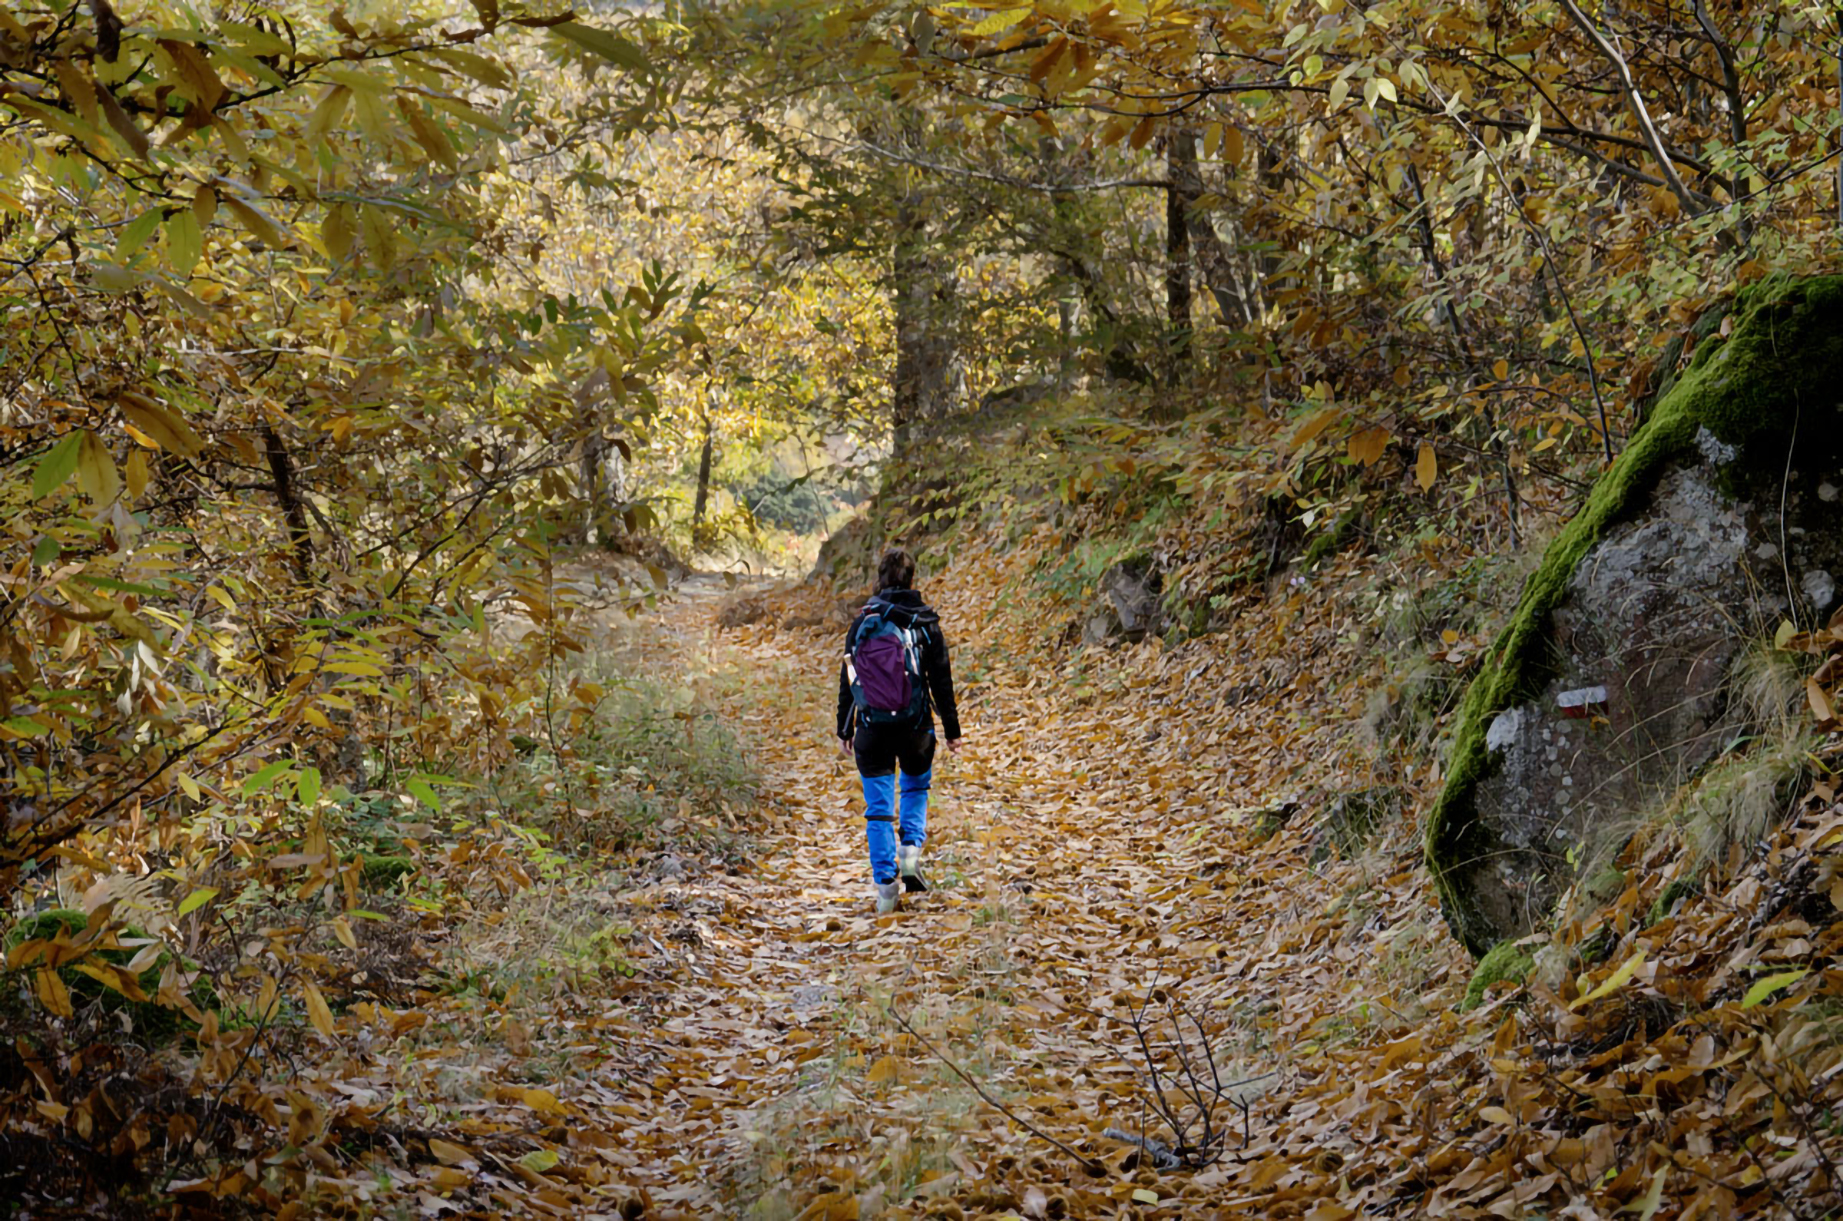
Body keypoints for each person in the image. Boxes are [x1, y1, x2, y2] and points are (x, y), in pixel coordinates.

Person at [836, 548, 963, 913]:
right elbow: (942, 681)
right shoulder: (925, 622)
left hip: (872, 729)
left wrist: (844, 726)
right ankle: (910, 852)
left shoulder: (862, 623)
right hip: (916, 727)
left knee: (877, 809)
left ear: (879, 579)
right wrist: (952, 730)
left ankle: (886, 888)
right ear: (911, 580)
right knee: (915, 787)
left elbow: (849, 679)